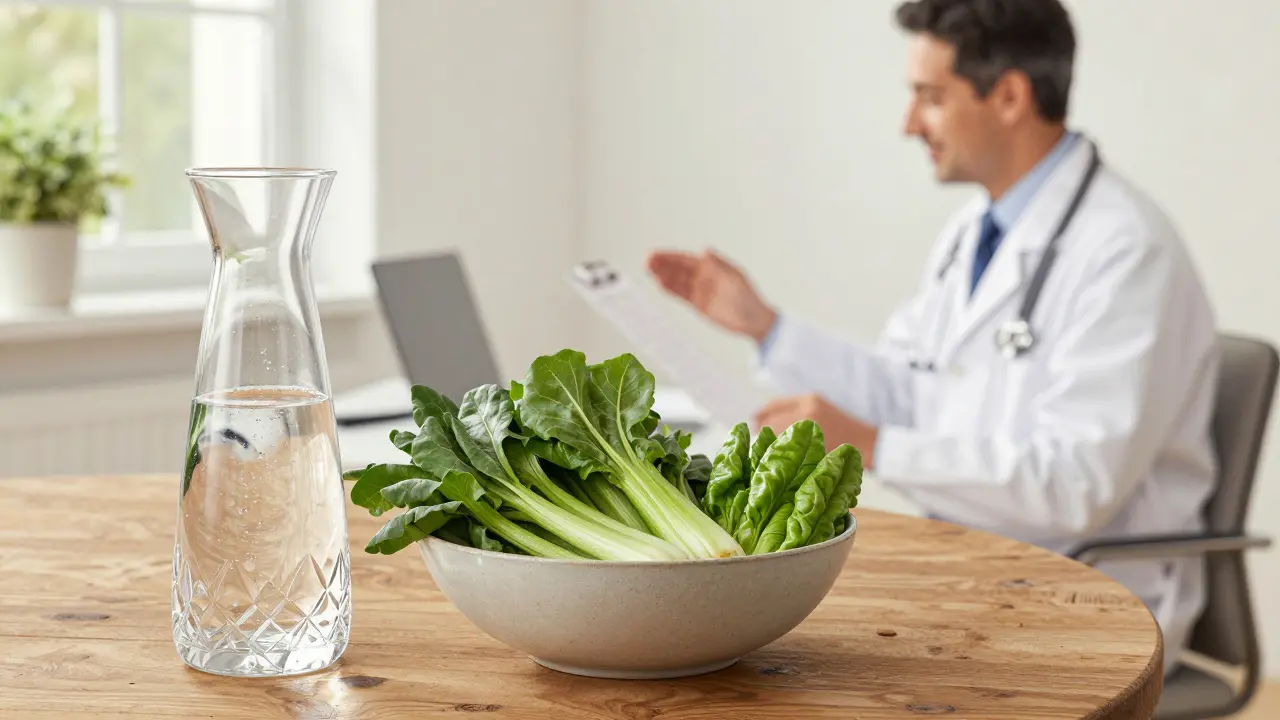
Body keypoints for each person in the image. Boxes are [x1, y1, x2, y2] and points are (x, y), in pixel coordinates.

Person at [647, 0, 1217, 675]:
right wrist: (764, 326)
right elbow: (907, 387)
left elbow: (1076, 486)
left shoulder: (1125, 250)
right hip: (987, 564)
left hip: (1095, 593)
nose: (909, 123)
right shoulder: (977, 231)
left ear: (1008, 95)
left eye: (930, 98)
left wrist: (872, 444)